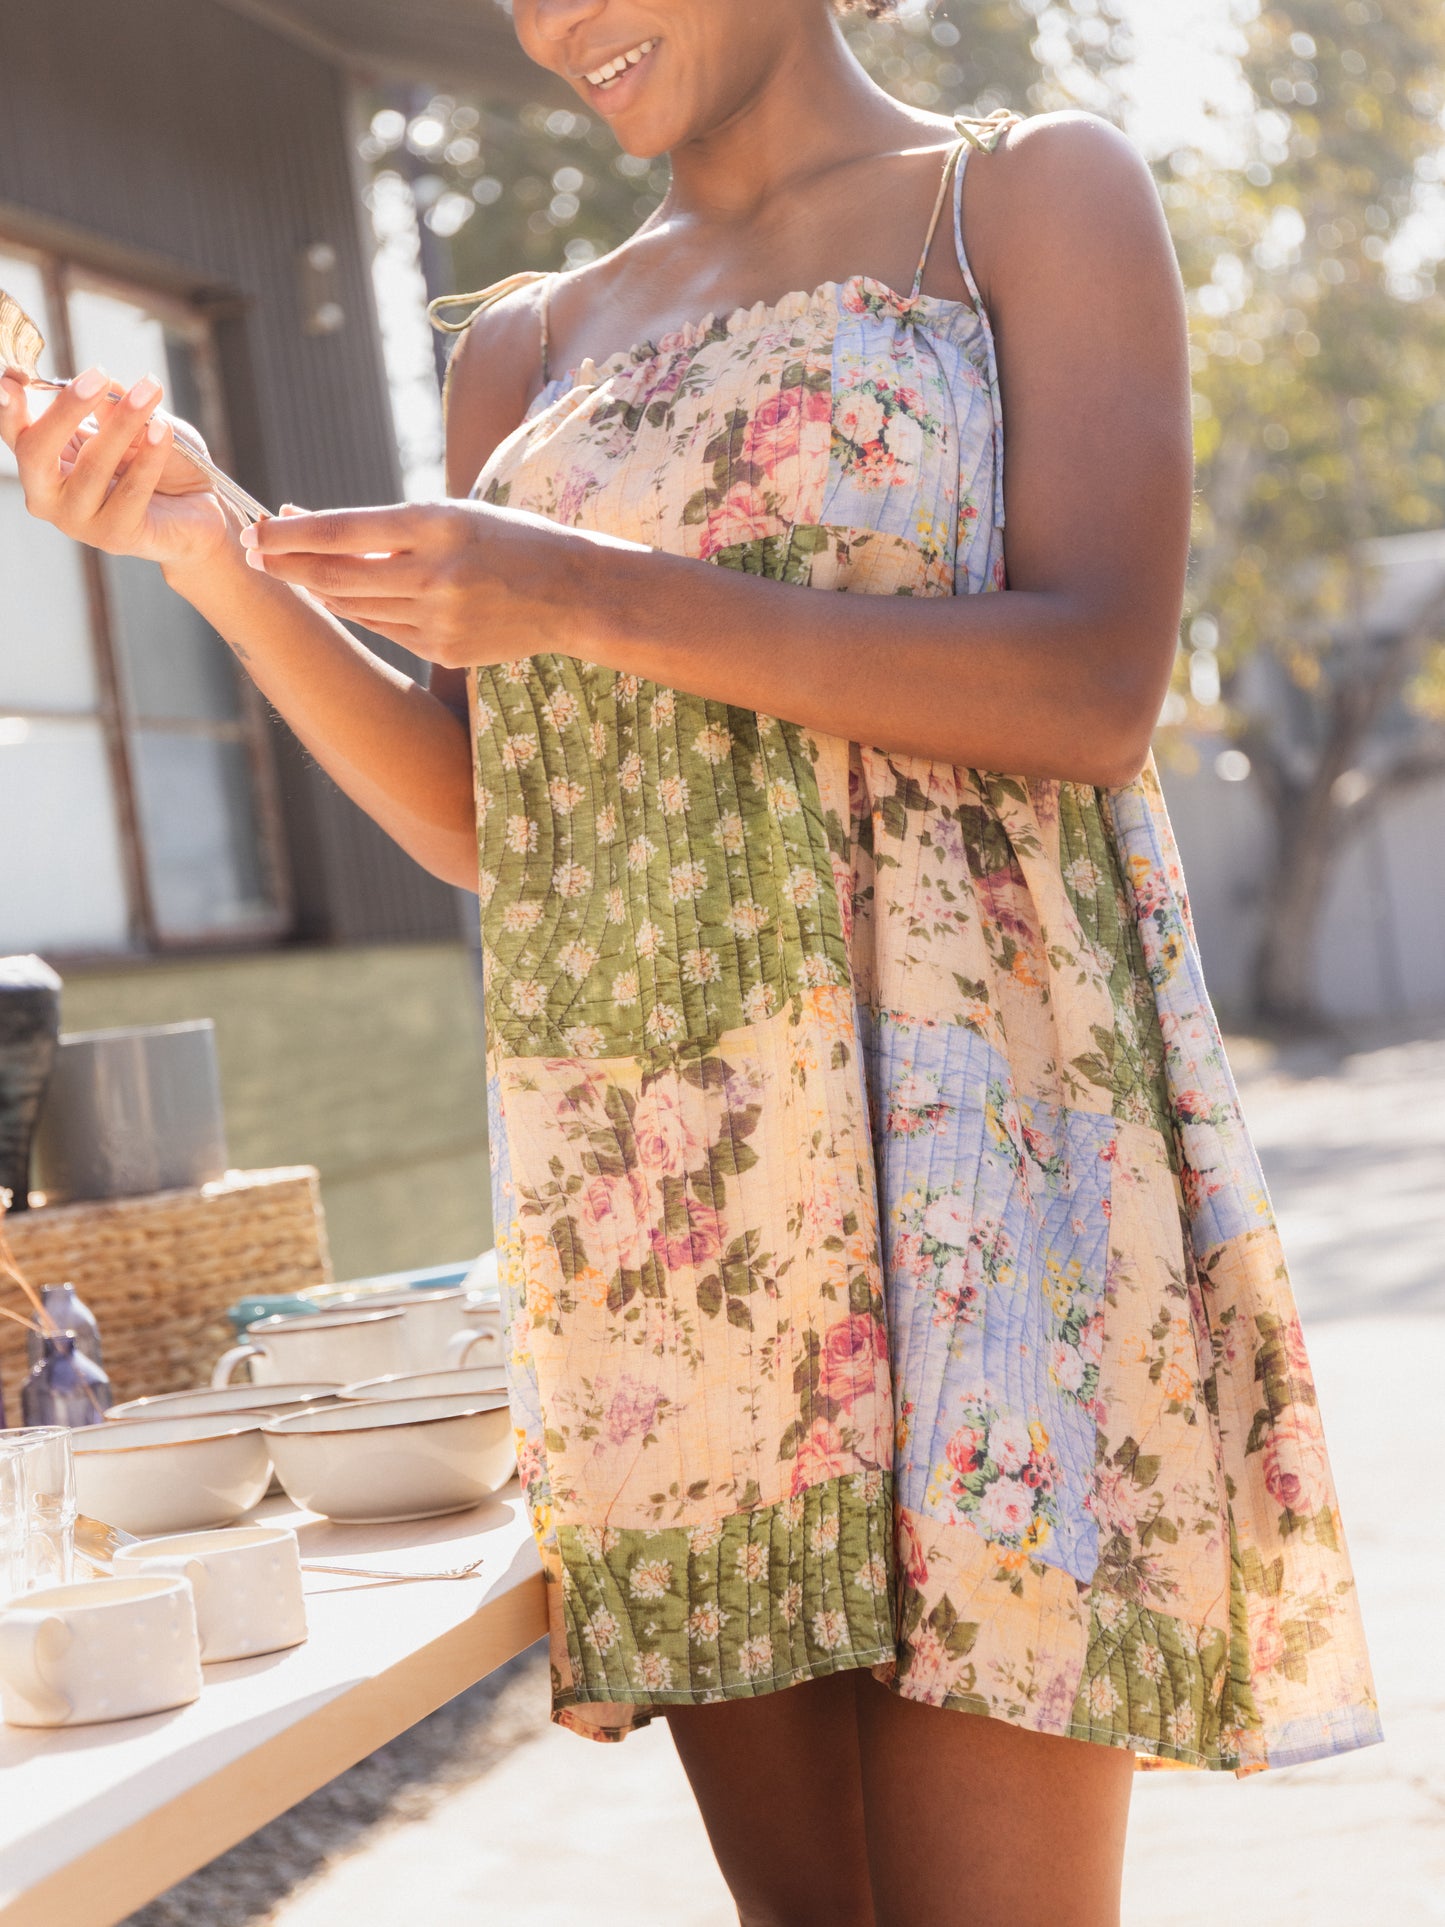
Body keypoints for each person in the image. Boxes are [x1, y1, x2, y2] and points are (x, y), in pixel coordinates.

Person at [0, 3, 1381, 1921]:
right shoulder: (525, 347)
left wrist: (577, 590)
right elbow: (486, 817)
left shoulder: (1014, 199)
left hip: (989, 1176)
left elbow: (1090, 689)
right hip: (672, 1221)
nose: (555, 19)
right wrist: (210, 549)